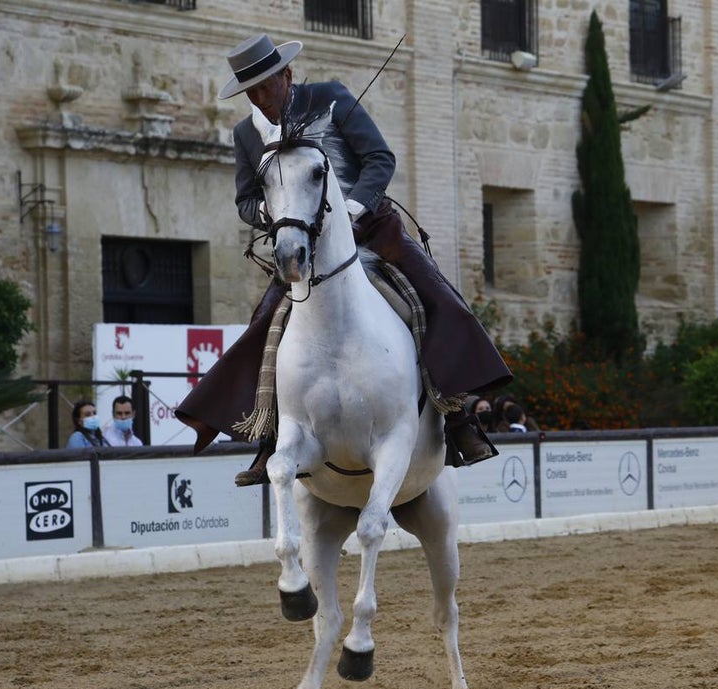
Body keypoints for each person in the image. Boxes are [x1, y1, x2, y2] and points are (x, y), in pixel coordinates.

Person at [176, 33, 511, 486]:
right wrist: (277, 216)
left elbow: (379, 158)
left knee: (434, 297)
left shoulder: (331, 99)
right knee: (263, 326)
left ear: (287, 75)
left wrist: (353, 207)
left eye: (266, 87)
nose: (261, 99)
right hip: (303, 243)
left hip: (372, 229)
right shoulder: (246, 134)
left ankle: (456, 418)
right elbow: (245, 200)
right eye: (251, 92)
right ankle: (269, 438)